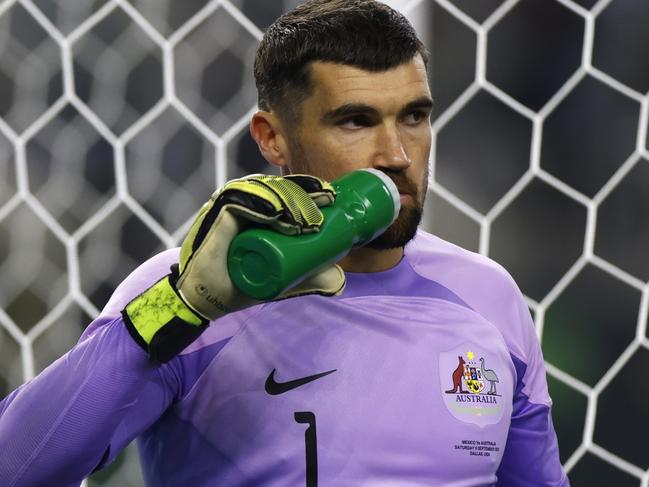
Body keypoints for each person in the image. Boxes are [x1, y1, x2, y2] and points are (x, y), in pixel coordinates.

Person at [0, 0, 569, 485]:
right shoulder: (189, 290)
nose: (397, 156)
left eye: (414, 116)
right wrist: (180, 307)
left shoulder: (489, 298)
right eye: (355, 121)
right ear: (272, 139)